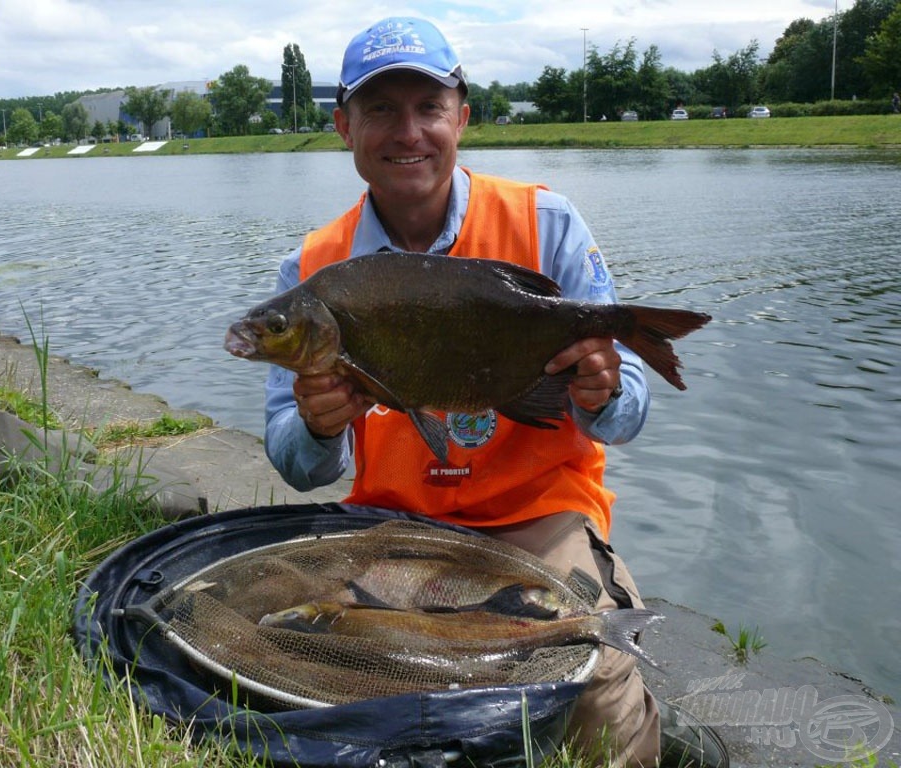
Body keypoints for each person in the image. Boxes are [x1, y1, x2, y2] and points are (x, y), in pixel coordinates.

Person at [263, 16, 726, 768]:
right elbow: (295, 461)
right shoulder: (314, 273)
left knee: (596, 689)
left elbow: (628, 416)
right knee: (314, 666)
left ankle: (640, 720)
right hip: (394, 528)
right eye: (381, 109)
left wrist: (603, 390)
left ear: (462, 117)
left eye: (428, 107)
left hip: (539, 521)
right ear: (344, 126)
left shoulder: (547, 224)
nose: (407, 131)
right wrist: (317, 430)